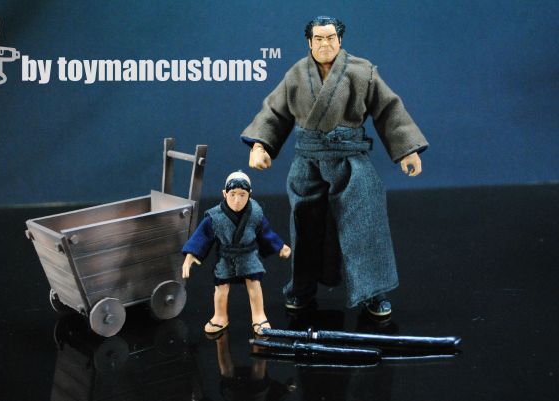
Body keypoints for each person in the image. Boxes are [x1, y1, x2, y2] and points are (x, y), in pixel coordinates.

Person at [241, 16, 429, 317]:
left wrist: (407, 150)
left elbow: (388, 109)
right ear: (309, 42)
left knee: (366, 222)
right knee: (305, 225)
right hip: (308, 161)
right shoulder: (296, 74)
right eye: (318, 38)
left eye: (330, 38)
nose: (325, 44)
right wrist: (260, 145)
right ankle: (302, 288)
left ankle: (372, 291)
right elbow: (274, 112)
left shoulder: (362, 71)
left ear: (340, 40)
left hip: (350, 159)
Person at [182, 171, 291, 335]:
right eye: (232, 194)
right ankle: (220, 316)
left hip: (248, 255)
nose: (237, 200)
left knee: (254, 285)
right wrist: (191, 254)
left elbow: (266, 233)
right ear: (224, 194)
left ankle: (259, 316)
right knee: (221, 288)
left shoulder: (255, 213)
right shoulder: (215, 216)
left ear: (250, 194)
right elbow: (202, 235)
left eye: (242, 195)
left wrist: (280, 246)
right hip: (226, 257)